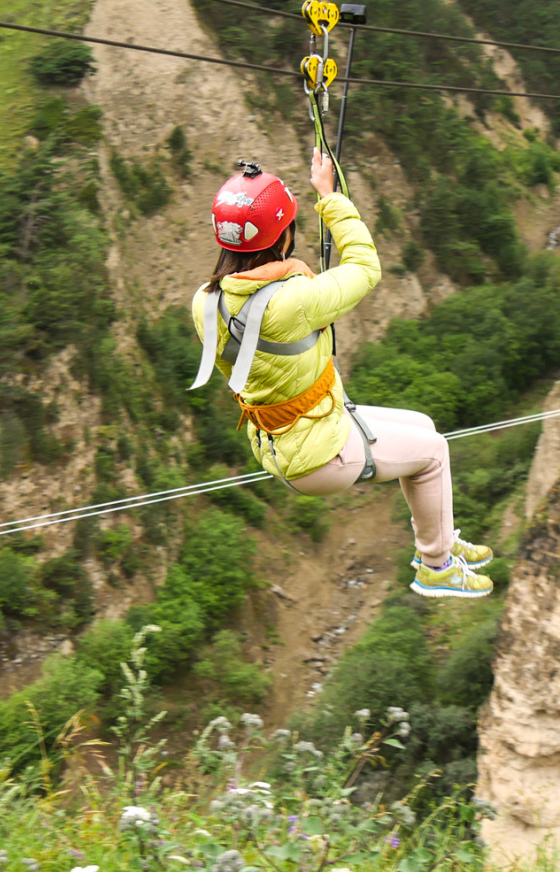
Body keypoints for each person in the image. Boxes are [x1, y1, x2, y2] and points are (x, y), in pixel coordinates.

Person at [189, 149, 494, 598]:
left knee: (423, 426)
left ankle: (442, 535)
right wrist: (329, 197)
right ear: (284, 235)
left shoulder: (205, 300)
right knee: (434, 452)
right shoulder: (294, 299)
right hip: (318, 455)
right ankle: (436, 565)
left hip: (282, 436)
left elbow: (257, 308)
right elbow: (366, 268)